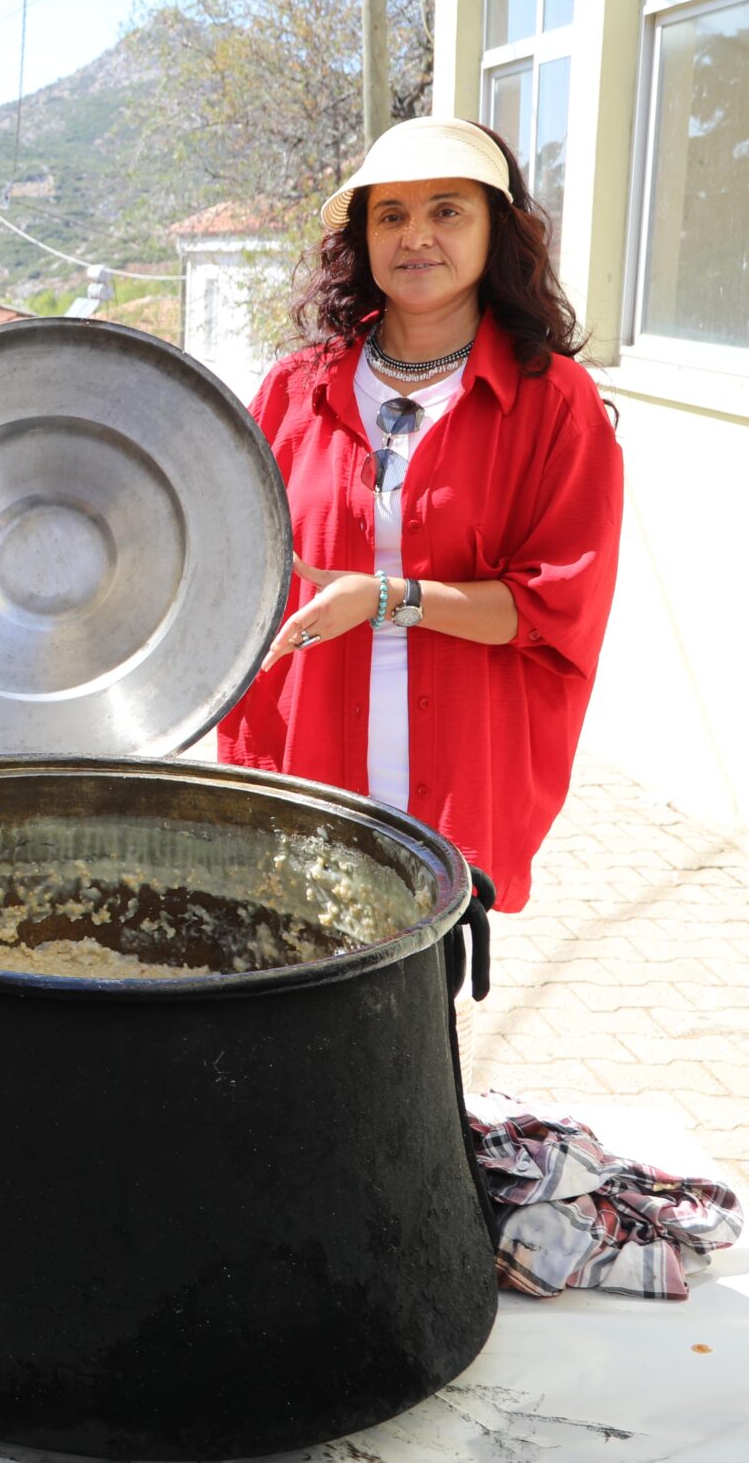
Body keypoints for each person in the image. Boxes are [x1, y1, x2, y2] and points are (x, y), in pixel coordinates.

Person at [217, 116, 623, 915]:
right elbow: (228, 566)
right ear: (362, 237)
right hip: (304, 785)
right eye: (391, 215)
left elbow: (553, 605)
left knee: (410, 1036)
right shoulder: (296, 389)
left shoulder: (554, 404)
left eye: (447, 210)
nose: (417, 237)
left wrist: (385, 597)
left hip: (454, 802)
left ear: (496, 229)